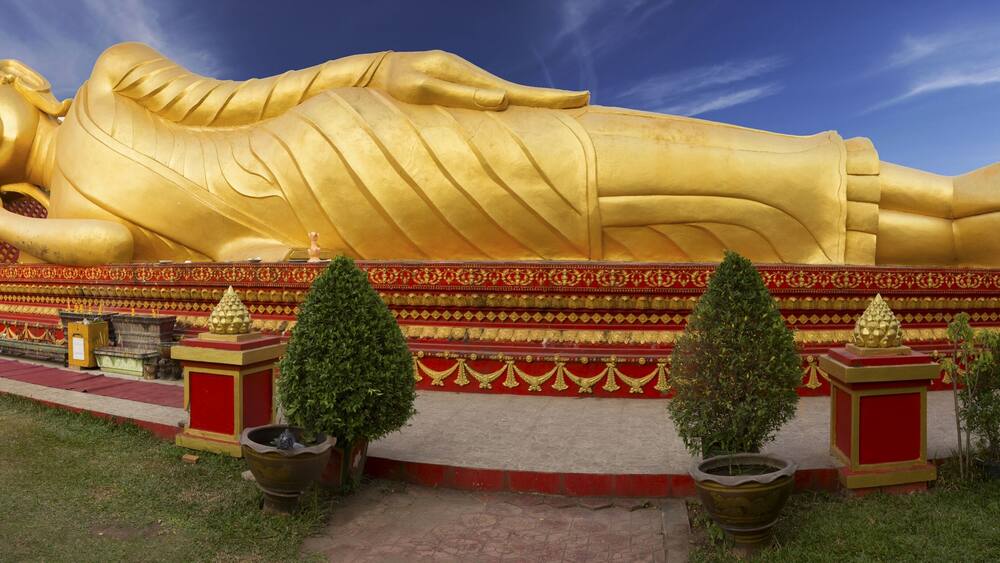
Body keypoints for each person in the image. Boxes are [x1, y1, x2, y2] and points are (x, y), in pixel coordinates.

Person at [0, 43, 994, 266]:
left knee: (610, 160)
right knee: (644, 229)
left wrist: (389, 68)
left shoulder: (111, 77)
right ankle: (953, 243)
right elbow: (111, 249)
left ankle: (950, 195)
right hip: (351, 232)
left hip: (357, 140)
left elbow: (257, 95)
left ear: (19, 81)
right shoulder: (72, 214)